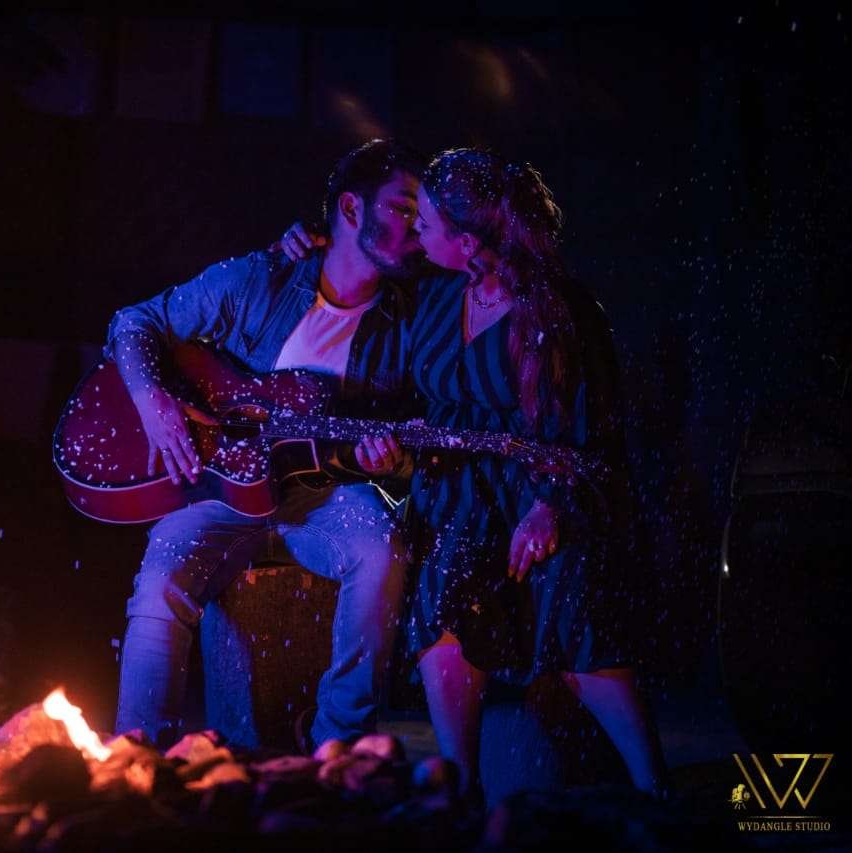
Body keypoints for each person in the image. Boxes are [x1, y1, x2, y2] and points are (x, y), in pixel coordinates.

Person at [281, 147, 670, 803]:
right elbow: (363, 278)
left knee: (565, 590)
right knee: (442, 589)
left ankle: (654, 786)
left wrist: (548, 508)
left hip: (544, 489)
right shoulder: (434, 295)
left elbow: (586, 432)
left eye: (427, 222)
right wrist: (303, 245)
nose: (415, 230)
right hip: (455, 488)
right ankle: (458, 786)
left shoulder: (556, 310)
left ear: (466, 242)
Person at [107, 139, 432, 749]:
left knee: (382, 546)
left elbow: (411, 447)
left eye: (424, 214)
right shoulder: (261, 278)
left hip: (325, 496)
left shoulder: (412, 321)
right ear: (352, 210)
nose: (417, 226)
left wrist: (387, 465)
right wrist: (155, 404)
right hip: (223, 494)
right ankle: (137, 754)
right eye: (403, 207)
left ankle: (337, 746)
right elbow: (133, 322)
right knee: (161, 572)